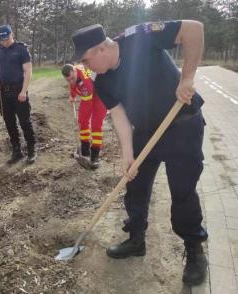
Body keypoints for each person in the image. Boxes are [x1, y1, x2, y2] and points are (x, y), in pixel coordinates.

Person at [71, 21, 208, 285]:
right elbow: (120, 116)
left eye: (87, 60)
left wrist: (187, 77)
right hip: (146, 132)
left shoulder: (141, 37)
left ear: (101, 48)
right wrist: (127, 154)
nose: (86, 68)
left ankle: (194, 249)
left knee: (182, 192)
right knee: (134, 185)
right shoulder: (102, 81)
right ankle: (136, 239)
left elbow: (193, 29)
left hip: (182, 125)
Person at [0, 24, 37, 164]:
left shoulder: (21, 49)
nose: (4, 41)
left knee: (24, 121)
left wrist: (23, 90)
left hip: (18, 91)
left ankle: (31, 149)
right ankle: (16, 150)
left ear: (12, 35)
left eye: (7, 38)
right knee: (9, 122)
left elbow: (28, 71)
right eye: (2, 39)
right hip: (3, 92)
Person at [61, 63, 107, 167]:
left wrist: (82, 118)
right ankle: (85, 149)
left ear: (75, 71)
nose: (71, 81)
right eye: (68, 80)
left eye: (72, 78)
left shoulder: (85, 82)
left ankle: (95, 154)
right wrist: (72, 95)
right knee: (82, 121)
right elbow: (73, 85)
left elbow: (88, 103)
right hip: (89, 94)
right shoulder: (74, 72)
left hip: (101, 95)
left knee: (96, 124)